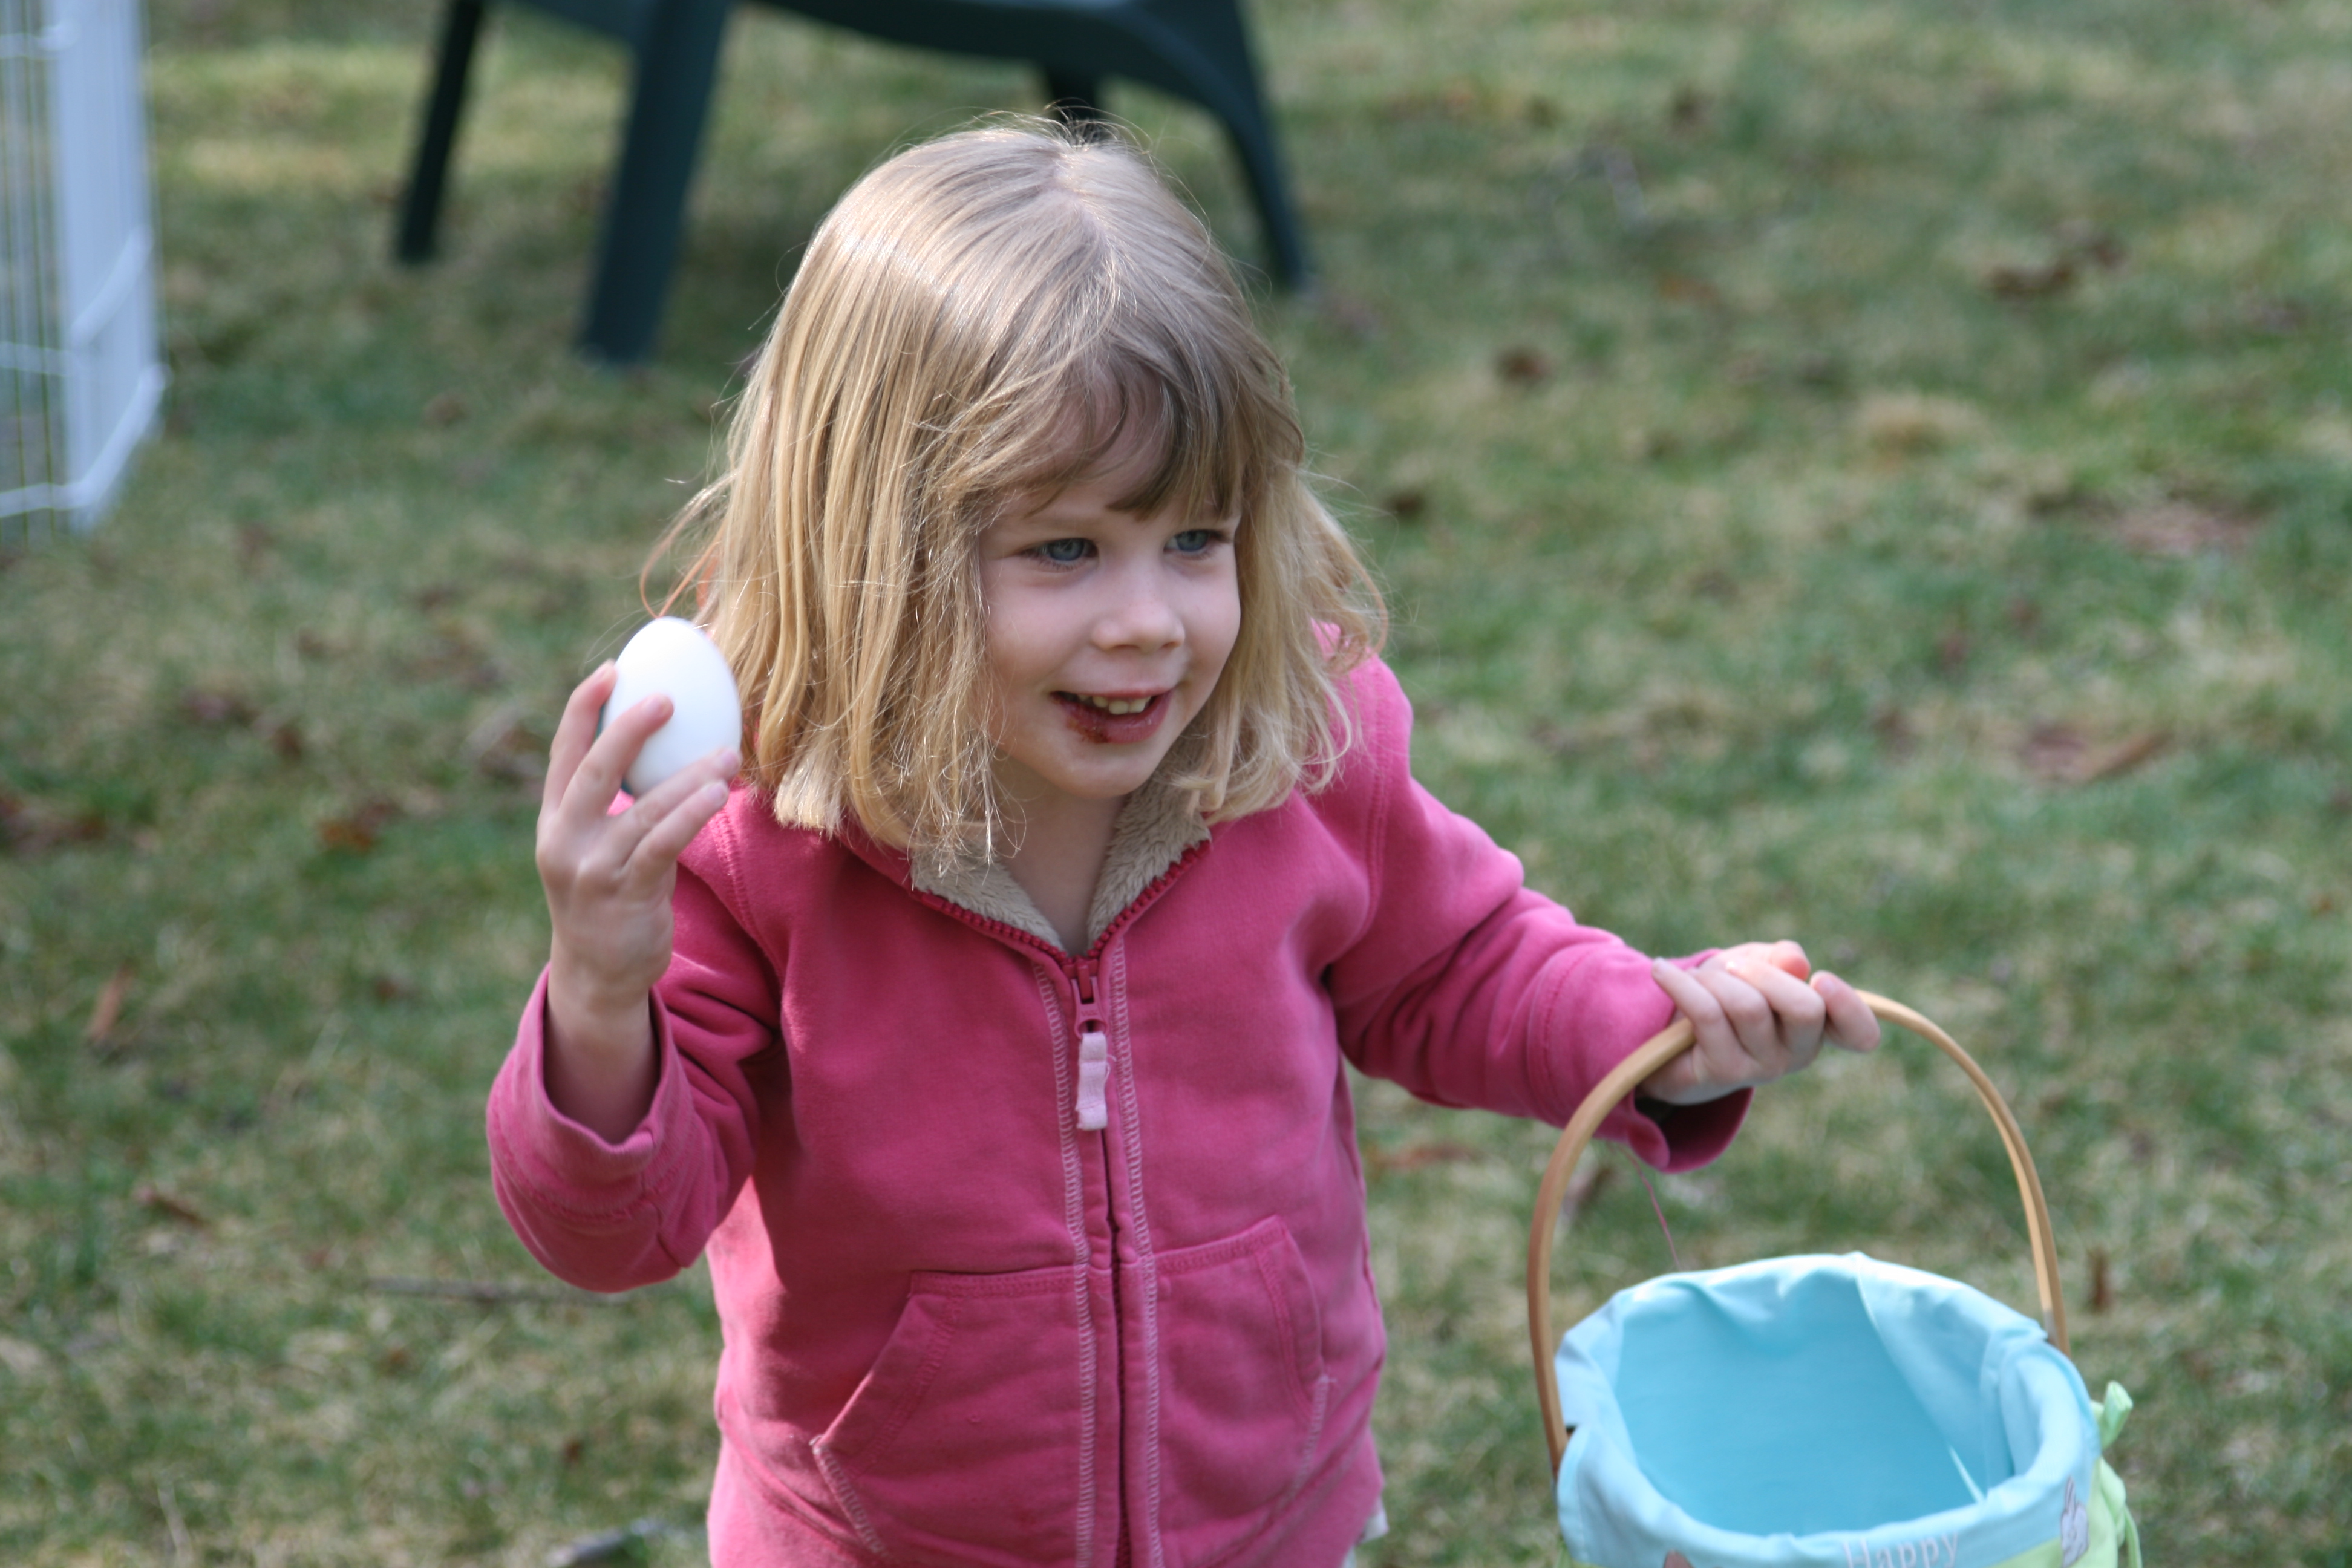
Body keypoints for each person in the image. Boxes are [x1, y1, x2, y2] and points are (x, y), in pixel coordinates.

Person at [489, 119, 1881, 1568]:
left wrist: (1651, 1032)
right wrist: (600, 997)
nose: (1150, 621)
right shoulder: (755, 841)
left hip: (1261, 1520)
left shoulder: (1293, 748)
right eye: (1065, 550)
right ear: (873, 556)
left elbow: (1457, 963)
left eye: (1198, 539)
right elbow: (611, 1232)